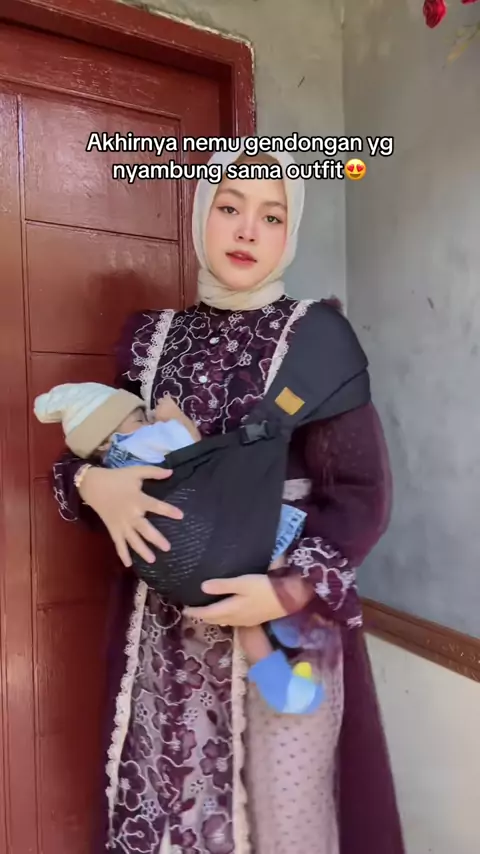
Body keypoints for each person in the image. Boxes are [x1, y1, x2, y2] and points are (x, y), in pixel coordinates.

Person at [52, 141, 405, 854]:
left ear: (289, 232)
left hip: (283, 625)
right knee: (171, 812)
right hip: (167, 634)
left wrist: (284, 592)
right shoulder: (154, 342)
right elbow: (99, 453)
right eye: (229, 206)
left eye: (271, 216)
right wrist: (97, 485)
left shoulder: (317, 342)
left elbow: (362, 497)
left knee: (286, 821)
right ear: (199, 216)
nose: (248, 230)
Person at [35, 381, 323, 715]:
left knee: (246, 622)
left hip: (183, 572)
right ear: (108, 439)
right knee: (271, 554)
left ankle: (281, 687)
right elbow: (195, 449)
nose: (148, 420)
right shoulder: (143, 442)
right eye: (138, 418)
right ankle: (285, 629)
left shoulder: (113, 470)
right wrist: (174, 417)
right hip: (220, 538)